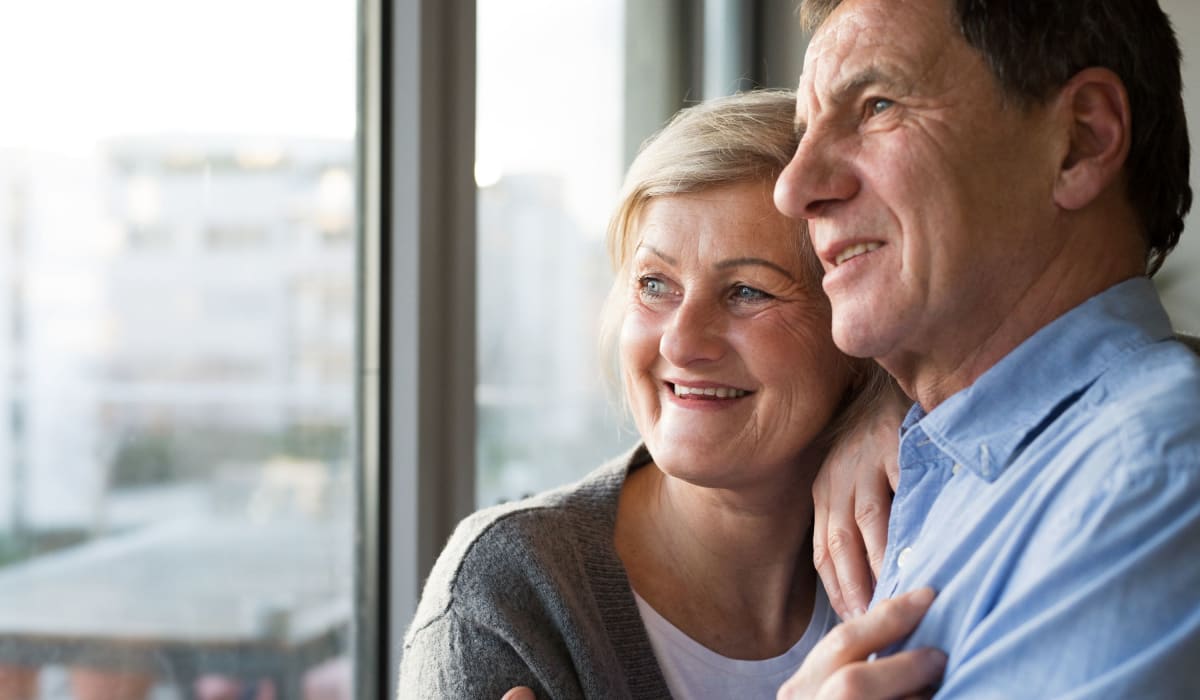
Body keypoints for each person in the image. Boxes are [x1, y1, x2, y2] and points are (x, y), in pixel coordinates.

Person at [397, 89, 929, 699]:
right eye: (655, 284)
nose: (681, 342)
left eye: (748, 292)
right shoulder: (509, 594)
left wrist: (899, 400)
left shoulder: (917, 535)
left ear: (854, 322)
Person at [772, 0, 1200, 696]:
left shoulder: (1145, 483)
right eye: (804, 132)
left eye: (877, 105)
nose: (794, 189)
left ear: (1081, 141)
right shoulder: (936, 466)